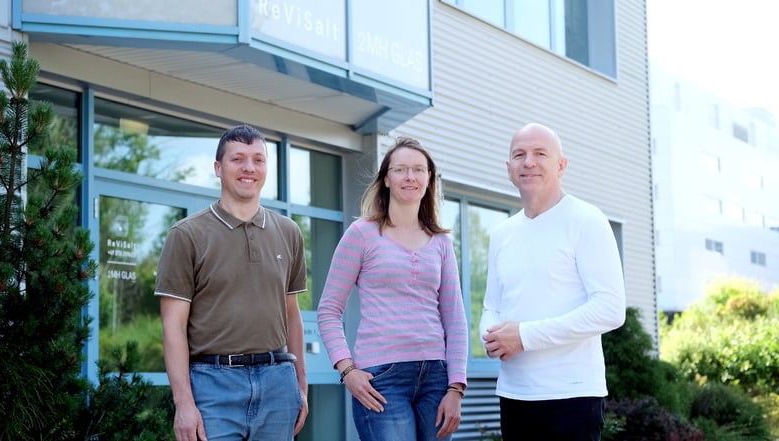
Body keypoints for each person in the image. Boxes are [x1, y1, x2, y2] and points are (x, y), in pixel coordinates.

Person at [155, 124, 308, 441]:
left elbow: (292, 315)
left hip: (278, 382)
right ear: (218, 168)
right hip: (212, 385)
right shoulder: (187, 235)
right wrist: (183, 403)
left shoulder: (289, 232)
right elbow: (173, 327)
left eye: (258, 159)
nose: (249, 168)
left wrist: (301, 387)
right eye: (238, 159)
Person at [480, 123, 626, 441]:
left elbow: (611, 309)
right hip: (514, 394)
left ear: (561, 165)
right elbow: (492, 304)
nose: (528, 162)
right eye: (519, 154)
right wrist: (490, 337)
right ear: (508, 169)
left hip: (571, 397)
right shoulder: (502, 234)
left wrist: (524, 336)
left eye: (540, 153)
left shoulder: (587, 220)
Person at [317, 136, 468, 441]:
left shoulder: (441, 242)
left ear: (429, 179)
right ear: (386, 178)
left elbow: (455, 318)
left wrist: (456, 387)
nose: (409, 177)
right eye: (400, 170)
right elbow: (328, 310)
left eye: (418, 170)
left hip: (436, 380)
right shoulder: (362, 234)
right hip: (381, 379)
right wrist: (347, 370)